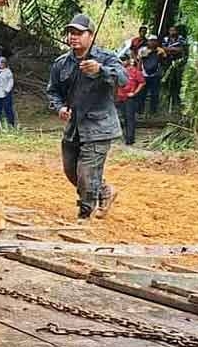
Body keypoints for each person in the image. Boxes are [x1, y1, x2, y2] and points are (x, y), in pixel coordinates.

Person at [46, 14, 127, 220]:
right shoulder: (62, 63)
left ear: (90, 35)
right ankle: (104, 191)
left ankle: (85, 214)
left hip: (99, 126)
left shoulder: (106, 58)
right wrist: (60, 107)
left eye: (79, 33)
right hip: (74, 126)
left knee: (86, 173)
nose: (74, 37)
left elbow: (123, 79)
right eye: (71, 33)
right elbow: (53, 90)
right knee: (71, 170)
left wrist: (101, 71)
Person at [116, 55, 145, 145]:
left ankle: (130, 139)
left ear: (128, 60)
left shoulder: (134, 71)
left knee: (129, 118)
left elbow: (142, 82)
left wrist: (135, 92)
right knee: (122, 118)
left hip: (129, 98)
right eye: (121, 60)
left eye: (124, 60)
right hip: (119, 97)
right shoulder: (118, 71)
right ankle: (125, 136)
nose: (123, 62)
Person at [138, 34, 168, 115]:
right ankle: (140, 111)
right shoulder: (143, 50)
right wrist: (138, 73)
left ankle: (153, 111)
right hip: (144, 74)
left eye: (154, 41)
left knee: (154, 94)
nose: (152, 42)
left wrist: (161, 55)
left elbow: (164, 61)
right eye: (151, 40)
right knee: (142, 94)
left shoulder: (160, 50)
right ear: (148, 42)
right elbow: (141, 60)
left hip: (155, 75)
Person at [162, 25, 187, 111]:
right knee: (168, 81)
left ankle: (178, 101)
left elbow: (182, 49)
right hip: (168, 63)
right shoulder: (166, 39)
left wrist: (170, 49)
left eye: (174, 30)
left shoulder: (181, 38)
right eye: (171, 30)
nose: (172, 32)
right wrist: (172, 49)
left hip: (179, 63)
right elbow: (163, 48)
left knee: (178, 81)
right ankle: (168, 99)